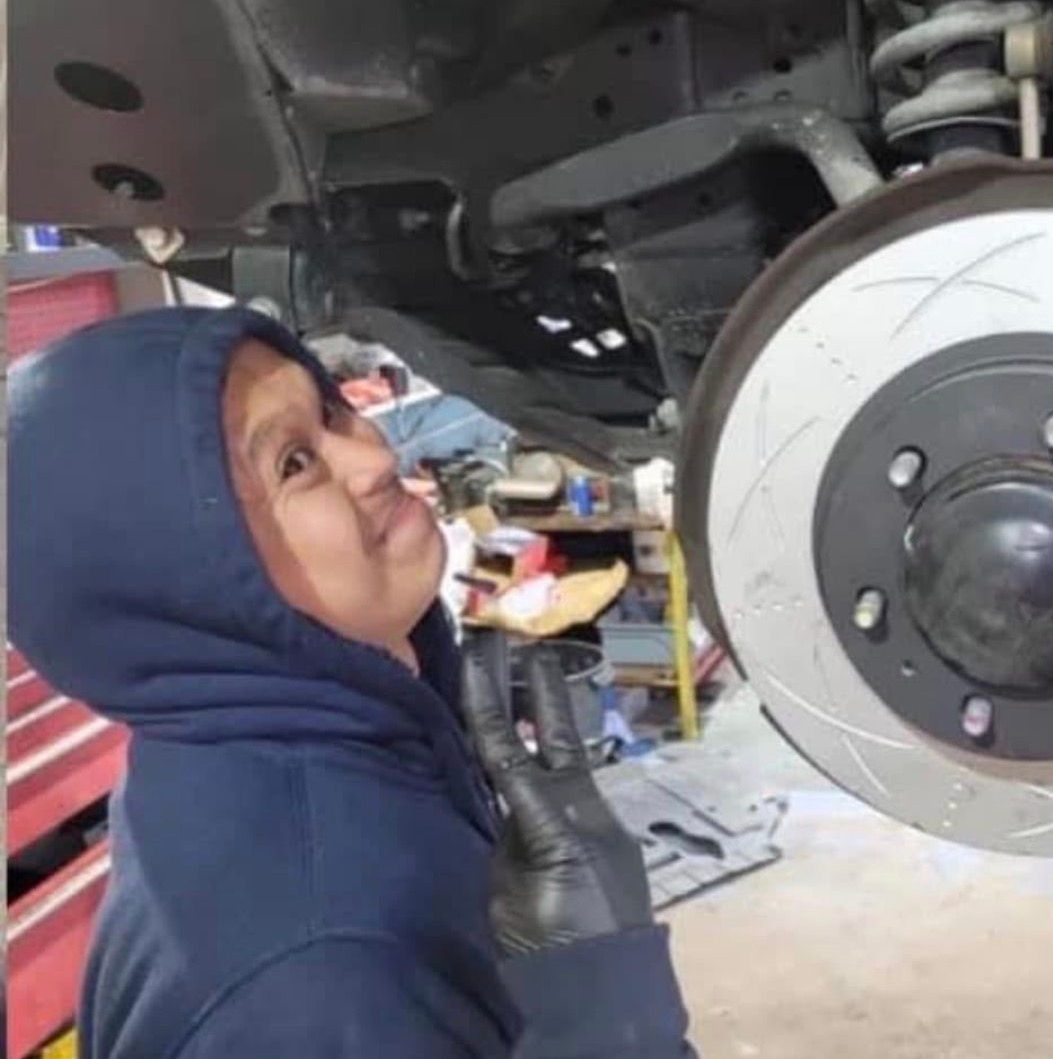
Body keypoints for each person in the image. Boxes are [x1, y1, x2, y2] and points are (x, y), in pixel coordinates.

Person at [9, 305, 692, 1058]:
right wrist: (607, 1019)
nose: (373, 459)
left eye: (330, 409)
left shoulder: (248, 741)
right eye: (294, 463)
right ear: (185, 580)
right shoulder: (323, 985)